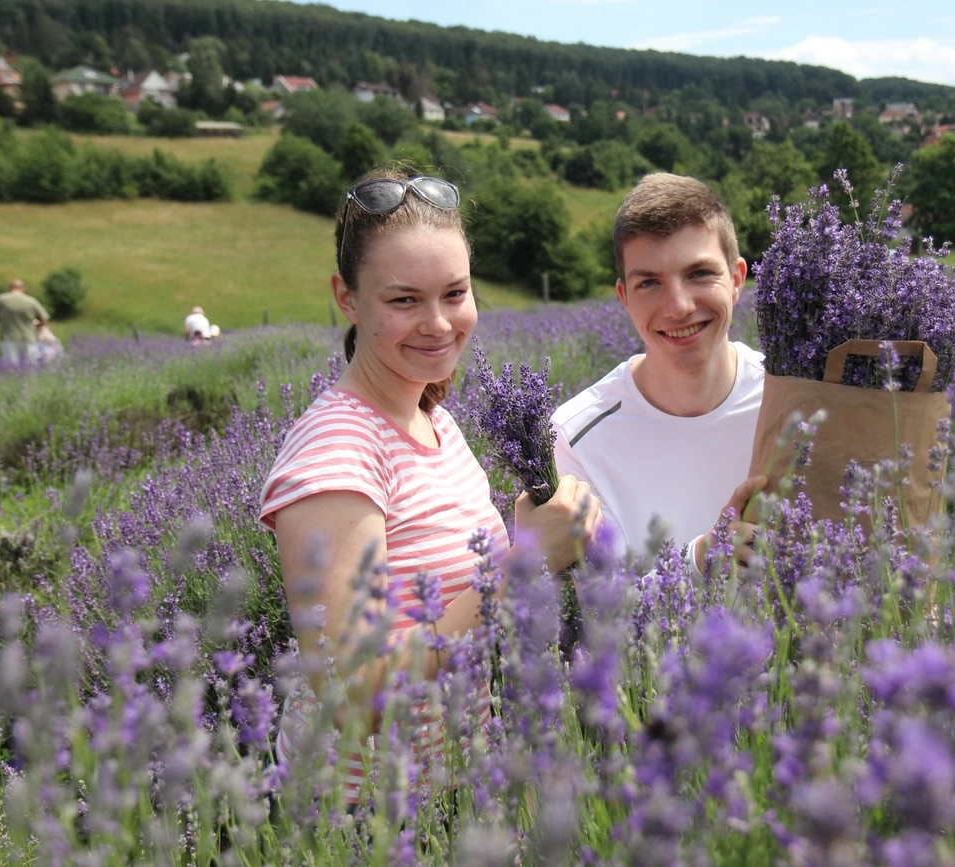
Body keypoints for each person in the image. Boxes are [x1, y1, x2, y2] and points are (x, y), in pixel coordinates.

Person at [259, 169, 602, 801]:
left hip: (453, 791)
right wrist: (523, 563)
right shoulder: (337, 453)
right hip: (358, 822)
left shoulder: (434, 421)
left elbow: (463, 608)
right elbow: (352, 694)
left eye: (454, 292)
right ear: (346, 297)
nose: (439, 323)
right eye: (404, 300)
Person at [551, 173, 766, 575]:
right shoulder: (576, 438)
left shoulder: (792, 400)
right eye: (649, 282)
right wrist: (700, 560)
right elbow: (601, 620)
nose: (678, 306)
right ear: (624, 298)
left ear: (737, 280)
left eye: (699, 273)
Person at [0, 279, 50, 365]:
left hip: (8, 338)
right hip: (29, 338)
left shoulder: (0, 300)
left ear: (10, 288)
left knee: (10, 367)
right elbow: (44, 319)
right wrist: (37, 324)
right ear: (23, 289)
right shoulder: (31, 301)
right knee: (31, 367)